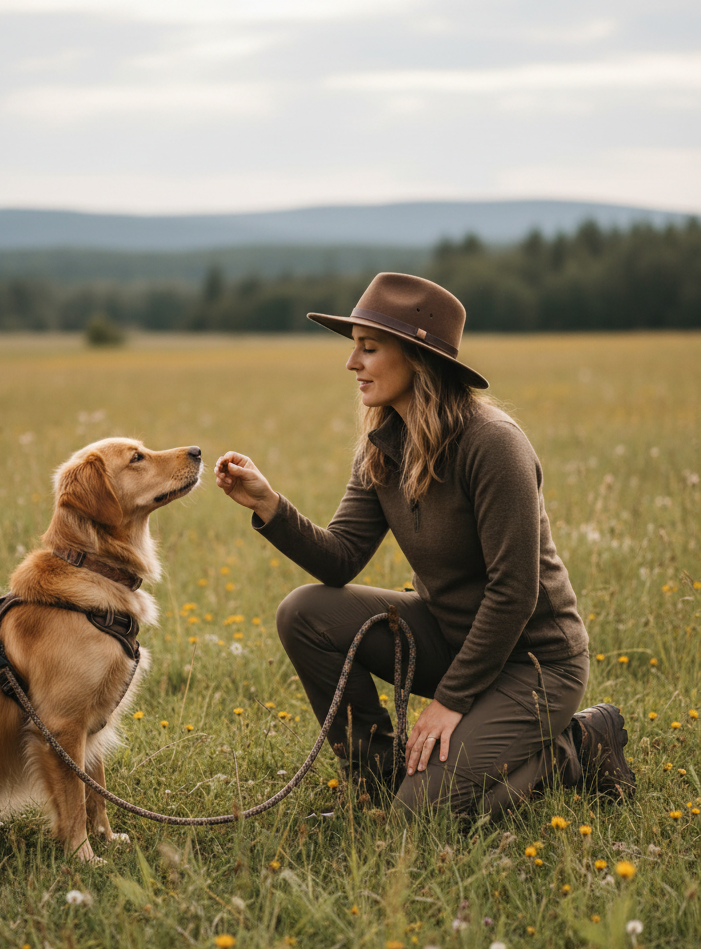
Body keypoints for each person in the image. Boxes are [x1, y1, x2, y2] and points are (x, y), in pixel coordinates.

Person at [214, 272, 635, 818]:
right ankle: (379, 779)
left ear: (416, 357)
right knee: (305, 612)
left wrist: (450, 703)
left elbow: (514, 593)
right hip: (450, 637)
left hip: (534, 665)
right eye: (354, 348)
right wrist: (269, 504)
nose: (352, 363)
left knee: (425, 814)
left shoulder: (494, 445)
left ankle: (574, 749)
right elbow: (340, 557)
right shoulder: (383, 444)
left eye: (369, 348)